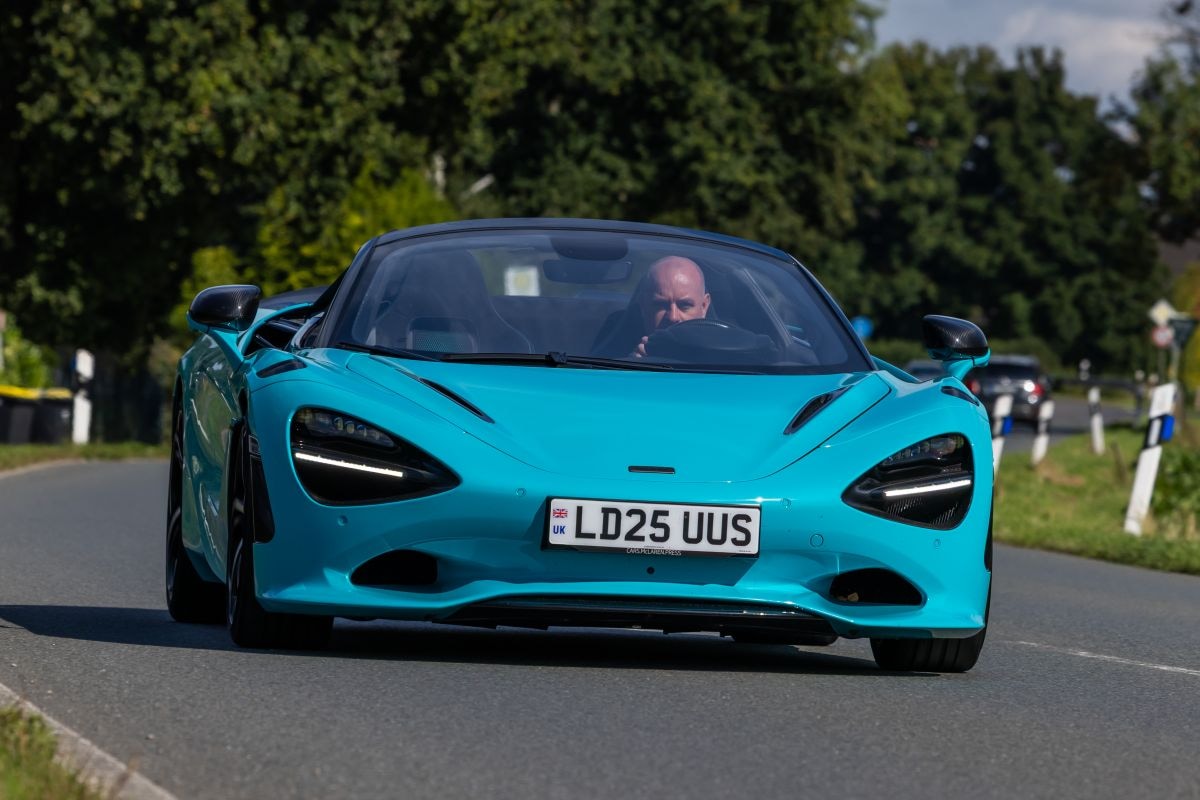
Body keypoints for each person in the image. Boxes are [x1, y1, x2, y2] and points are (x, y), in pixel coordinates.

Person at [630, 256, 711, 357]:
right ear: (643, 306)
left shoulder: (726, 361)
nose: (673, 317)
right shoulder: (611, 354)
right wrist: (635, 367)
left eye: (684, 305)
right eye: (661, 305)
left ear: (704, 306)